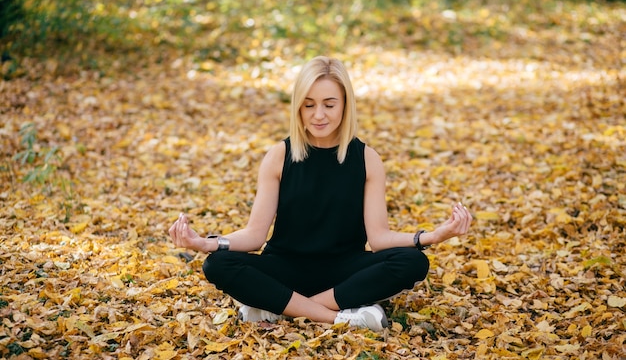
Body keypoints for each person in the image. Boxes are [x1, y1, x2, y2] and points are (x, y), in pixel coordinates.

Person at [169, 56, 472, 331]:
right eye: (309, 104)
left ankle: (280, 307)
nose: (318, 115)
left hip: (344, 272)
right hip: (284, 267)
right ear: (298, 107)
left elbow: (379, 238)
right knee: (217, 264)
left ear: (345, 105)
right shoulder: (279, 156)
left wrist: (431, 236)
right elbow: (254, 236)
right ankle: (337, 316)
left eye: (329, 104)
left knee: (413, 262)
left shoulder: (367, 159)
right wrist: (203, 243)